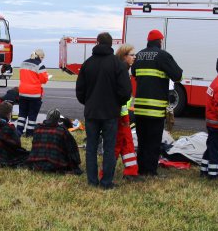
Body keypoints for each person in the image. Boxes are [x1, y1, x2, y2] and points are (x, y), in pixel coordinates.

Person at [76, 32, 132, 189]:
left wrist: (88, 102)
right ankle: (106, 182)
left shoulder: (87, 64)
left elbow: (80, 90)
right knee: (109, 148)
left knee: (91, 147)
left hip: (92, 112)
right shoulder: (117, 64)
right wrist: (116, 104)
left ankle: (92, 181)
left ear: (97, 42)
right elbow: (126, 91)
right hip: (110, 113)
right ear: (111, 44)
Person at [131, 29, 183, 179]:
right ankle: (151, 171)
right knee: (153, 141)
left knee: (142, 140)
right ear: (160, 41)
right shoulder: (163, 56)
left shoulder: (139, 55)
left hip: (140, 108)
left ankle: (141, 168)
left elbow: (134, 72)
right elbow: (178, 75)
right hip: (155, 109)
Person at [25, 108, 82, 174]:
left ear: (47, 117)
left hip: (36, 163)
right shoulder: (62, 131)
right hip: (56, 165)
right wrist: (76, 162)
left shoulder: (37, 128)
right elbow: (72, 148)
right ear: (58, 120)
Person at [112, 44, 139, 179]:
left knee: (127, 143)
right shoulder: (120, 70)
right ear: (124, 56)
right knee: (117, 144)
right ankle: (106, 172)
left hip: (123, 114)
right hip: (119, 115)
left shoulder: (123, 69)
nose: (135, 57)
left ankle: (131, 171)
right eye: (132, 55)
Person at [16, 49, 50, 137]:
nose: (42, 59)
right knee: (32, 115)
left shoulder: (23, 63)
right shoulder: (40, 65)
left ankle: (18, 132)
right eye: (42, 57)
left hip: (22, 92)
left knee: (22, 114)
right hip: (34, 94)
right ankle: (29, 134)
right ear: (39, 56)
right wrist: (47, 77)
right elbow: (44, 80)